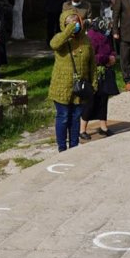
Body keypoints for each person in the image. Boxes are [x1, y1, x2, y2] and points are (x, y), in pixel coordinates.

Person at [48, 10, 94, 152]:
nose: (75, 26)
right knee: (63, 117)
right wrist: (68, 30)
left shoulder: (86, 40)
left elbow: (92, 63)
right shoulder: (61, 39)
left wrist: (94, 83)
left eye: (76, 22)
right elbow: (54, 44)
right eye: (70, 23)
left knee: (75, 118)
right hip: (62, 88)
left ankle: (74, 148)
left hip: (79, 89)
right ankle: (62, 148)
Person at [80, 16, 116, 140]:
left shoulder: (105, 36)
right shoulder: (91, 37)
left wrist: (112, 57)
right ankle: (82, 129)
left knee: (103, 100)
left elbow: (111, 49)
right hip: (94, 73)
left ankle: (103, 126)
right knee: (91, 101)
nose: (109, 28)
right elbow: (91, 57)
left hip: (105, 72)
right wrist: (106, 59)